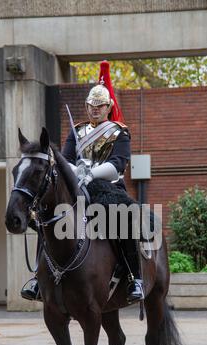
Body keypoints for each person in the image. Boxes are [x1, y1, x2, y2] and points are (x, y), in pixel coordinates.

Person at [21, 61, 144, 304]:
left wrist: (93, 173)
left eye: (100, 105)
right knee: (47, 215)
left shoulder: (119, 132)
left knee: (124, 215)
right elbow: (65, 160)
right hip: (76, 184)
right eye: (91, 105)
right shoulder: (77, 131)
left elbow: (118, 164)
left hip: (108, 186)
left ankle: (133, 277)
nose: (94, 109)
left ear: (109, 107)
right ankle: (38, 277)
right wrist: (76, 171)